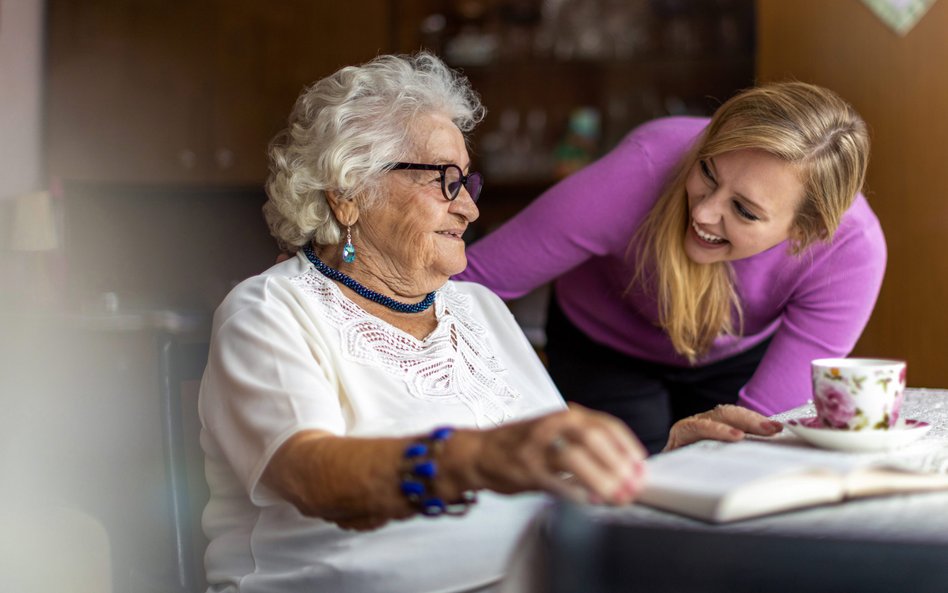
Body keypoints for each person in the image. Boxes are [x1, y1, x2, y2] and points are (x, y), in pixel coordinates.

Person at [198, 53, 782, 593]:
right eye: (442, 180)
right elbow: (311, 475)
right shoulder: (272, 312)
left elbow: (551, 471)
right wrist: (475, 458)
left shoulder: (475, 308)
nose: (469, 207)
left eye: (467, 182)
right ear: (349, 194)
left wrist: (664, 460)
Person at [458, 81, 885, 453]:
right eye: (708, 172)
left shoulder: (850, 252)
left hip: (734, 355)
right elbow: (466, 282)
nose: (704, 213)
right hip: (604, 345)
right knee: (618, 491)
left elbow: (760, 432)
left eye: (743, 210)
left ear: (805, 232)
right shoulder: (642, 168)